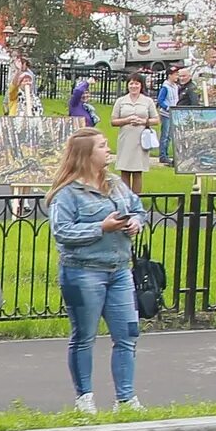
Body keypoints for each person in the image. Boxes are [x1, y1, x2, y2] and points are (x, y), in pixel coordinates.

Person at [46, 127, 143, 412]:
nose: (108, 149)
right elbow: (62, 232)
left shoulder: (114, 183)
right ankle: (85, 398)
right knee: (84, 335)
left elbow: (138, 208)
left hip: (119, 269)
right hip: (83, 271)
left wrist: (135, 221)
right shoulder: (67, 193)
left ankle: (125, 398)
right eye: (102, 146)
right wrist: (101, 227)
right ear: (87, 154)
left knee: (127, 333)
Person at [110, 73, 159, 185]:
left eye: (136, 83)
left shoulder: (147, 101)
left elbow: (156, 120)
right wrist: (127, 120)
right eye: (131, 83)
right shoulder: (121, 101)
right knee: (125, 170)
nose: (134, 86)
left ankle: (136, 199)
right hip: (126, 139)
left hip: (141, 140)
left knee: (137, 171)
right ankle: (125, 198)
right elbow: (113, 121)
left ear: (141, 85)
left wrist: (143, 121)